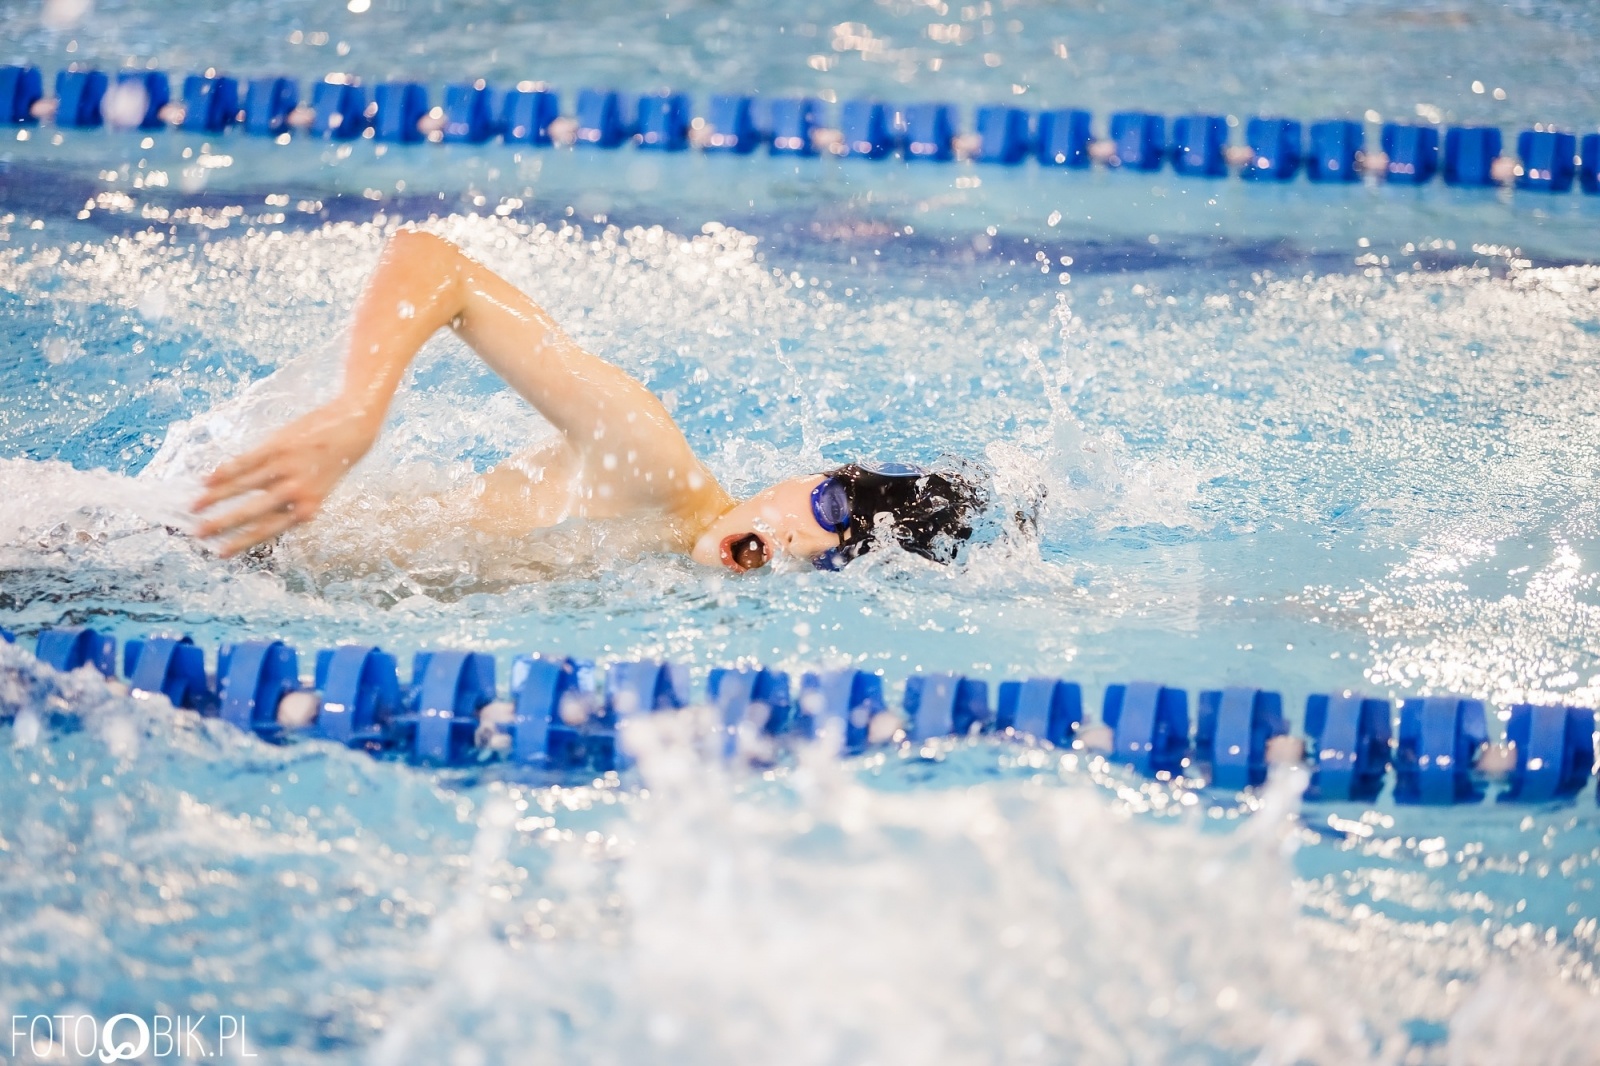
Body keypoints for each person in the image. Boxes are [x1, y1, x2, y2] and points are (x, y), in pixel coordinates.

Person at [192, 229, 985, 574]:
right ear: (803, 476)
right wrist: (357, 412)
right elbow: (436, 265)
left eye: (840, 554)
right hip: (209, 537)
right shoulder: (651, 464)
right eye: (827, 504)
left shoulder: (669, 592)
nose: (800, 541)